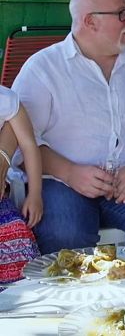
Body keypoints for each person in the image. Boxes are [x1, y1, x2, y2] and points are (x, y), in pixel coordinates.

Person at [12, 0, 125, 253]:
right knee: (64, 231)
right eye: (122, 13)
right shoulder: (43, 68)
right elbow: (21, 142)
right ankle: (83, 284)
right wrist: (70, 172)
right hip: (60, 181)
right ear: (90, 21)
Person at [0, 88, 42, 282]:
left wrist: (35, 194)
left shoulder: (6, 100)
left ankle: (14, 290)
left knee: (15, 230)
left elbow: (29, 145)